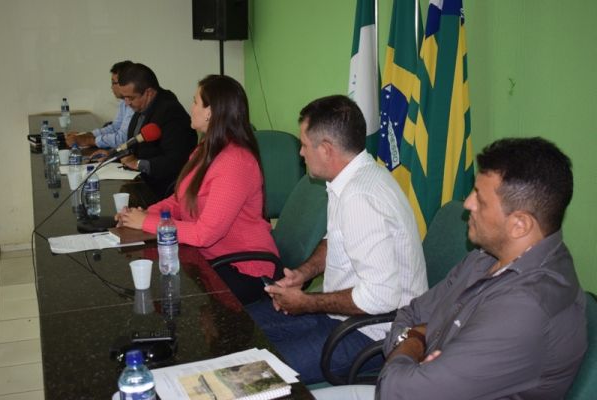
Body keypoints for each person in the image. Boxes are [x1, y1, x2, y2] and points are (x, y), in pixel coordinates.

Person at [312, 137, 587, 400]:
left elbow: (397, 393)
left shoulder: (527, 308)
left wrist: (414, 340)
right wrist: (416, 339)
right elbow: (410, 313)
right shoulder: (486, 258)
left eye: (480, 199)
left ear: (520, 225)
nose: (467, 204)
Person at [247, 95, 427, 384]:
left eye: (304, 145)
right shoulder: (352, 178)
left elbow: (380, 297)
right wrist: (303, 274)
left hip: (372, 334)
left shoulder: (360, 197)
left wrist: (307, 302)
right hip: (344, 317)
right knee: (241, 328)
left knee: (251, 373)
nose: (301, 153)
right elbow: (334, 240)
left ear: (326, 149)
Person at [116, 74, 279, 305]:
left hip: (242, 268)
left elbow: (205, 234)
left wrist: (147, 223)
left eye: (195, 101)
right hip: (209, 257)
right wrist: (142, 214)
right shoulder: (204, 150)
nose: (191, 107)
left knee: (167, 295)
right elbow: (179, 200)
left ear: (210, 112)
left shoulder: (235, 162)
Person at [116, 63, 197, 205]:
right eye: (124, 98)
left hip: (163, 191)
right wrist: (113, 155)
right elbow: (135, 145)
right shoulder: (142, 107)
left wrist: (138, 164)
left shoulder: (171, 112)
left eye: (131, 98)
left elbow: (177, 160)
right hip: (142, 182)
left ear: (149, 93)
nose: (127, 103)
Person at [64, 60, 134, 151]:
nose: (111, 87)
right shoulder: (123, 102)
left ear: (125, 83)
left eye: (114, 83)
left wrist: (88, 140)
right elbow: (115, 127)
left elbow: (121, 139)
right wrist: (87, 135)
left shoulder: (134, 104)